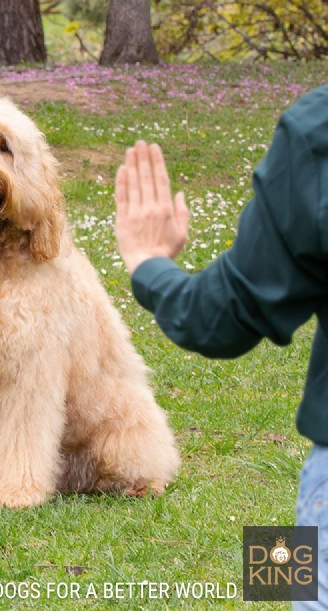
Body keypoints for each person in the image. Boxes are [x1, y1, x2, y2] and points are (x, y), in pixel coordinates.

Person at [114, 84, 328, 606]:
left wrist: (148, 261)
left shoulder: (317, 130)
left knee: (289, 575)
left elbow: (223, 317)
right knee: (277, 567)